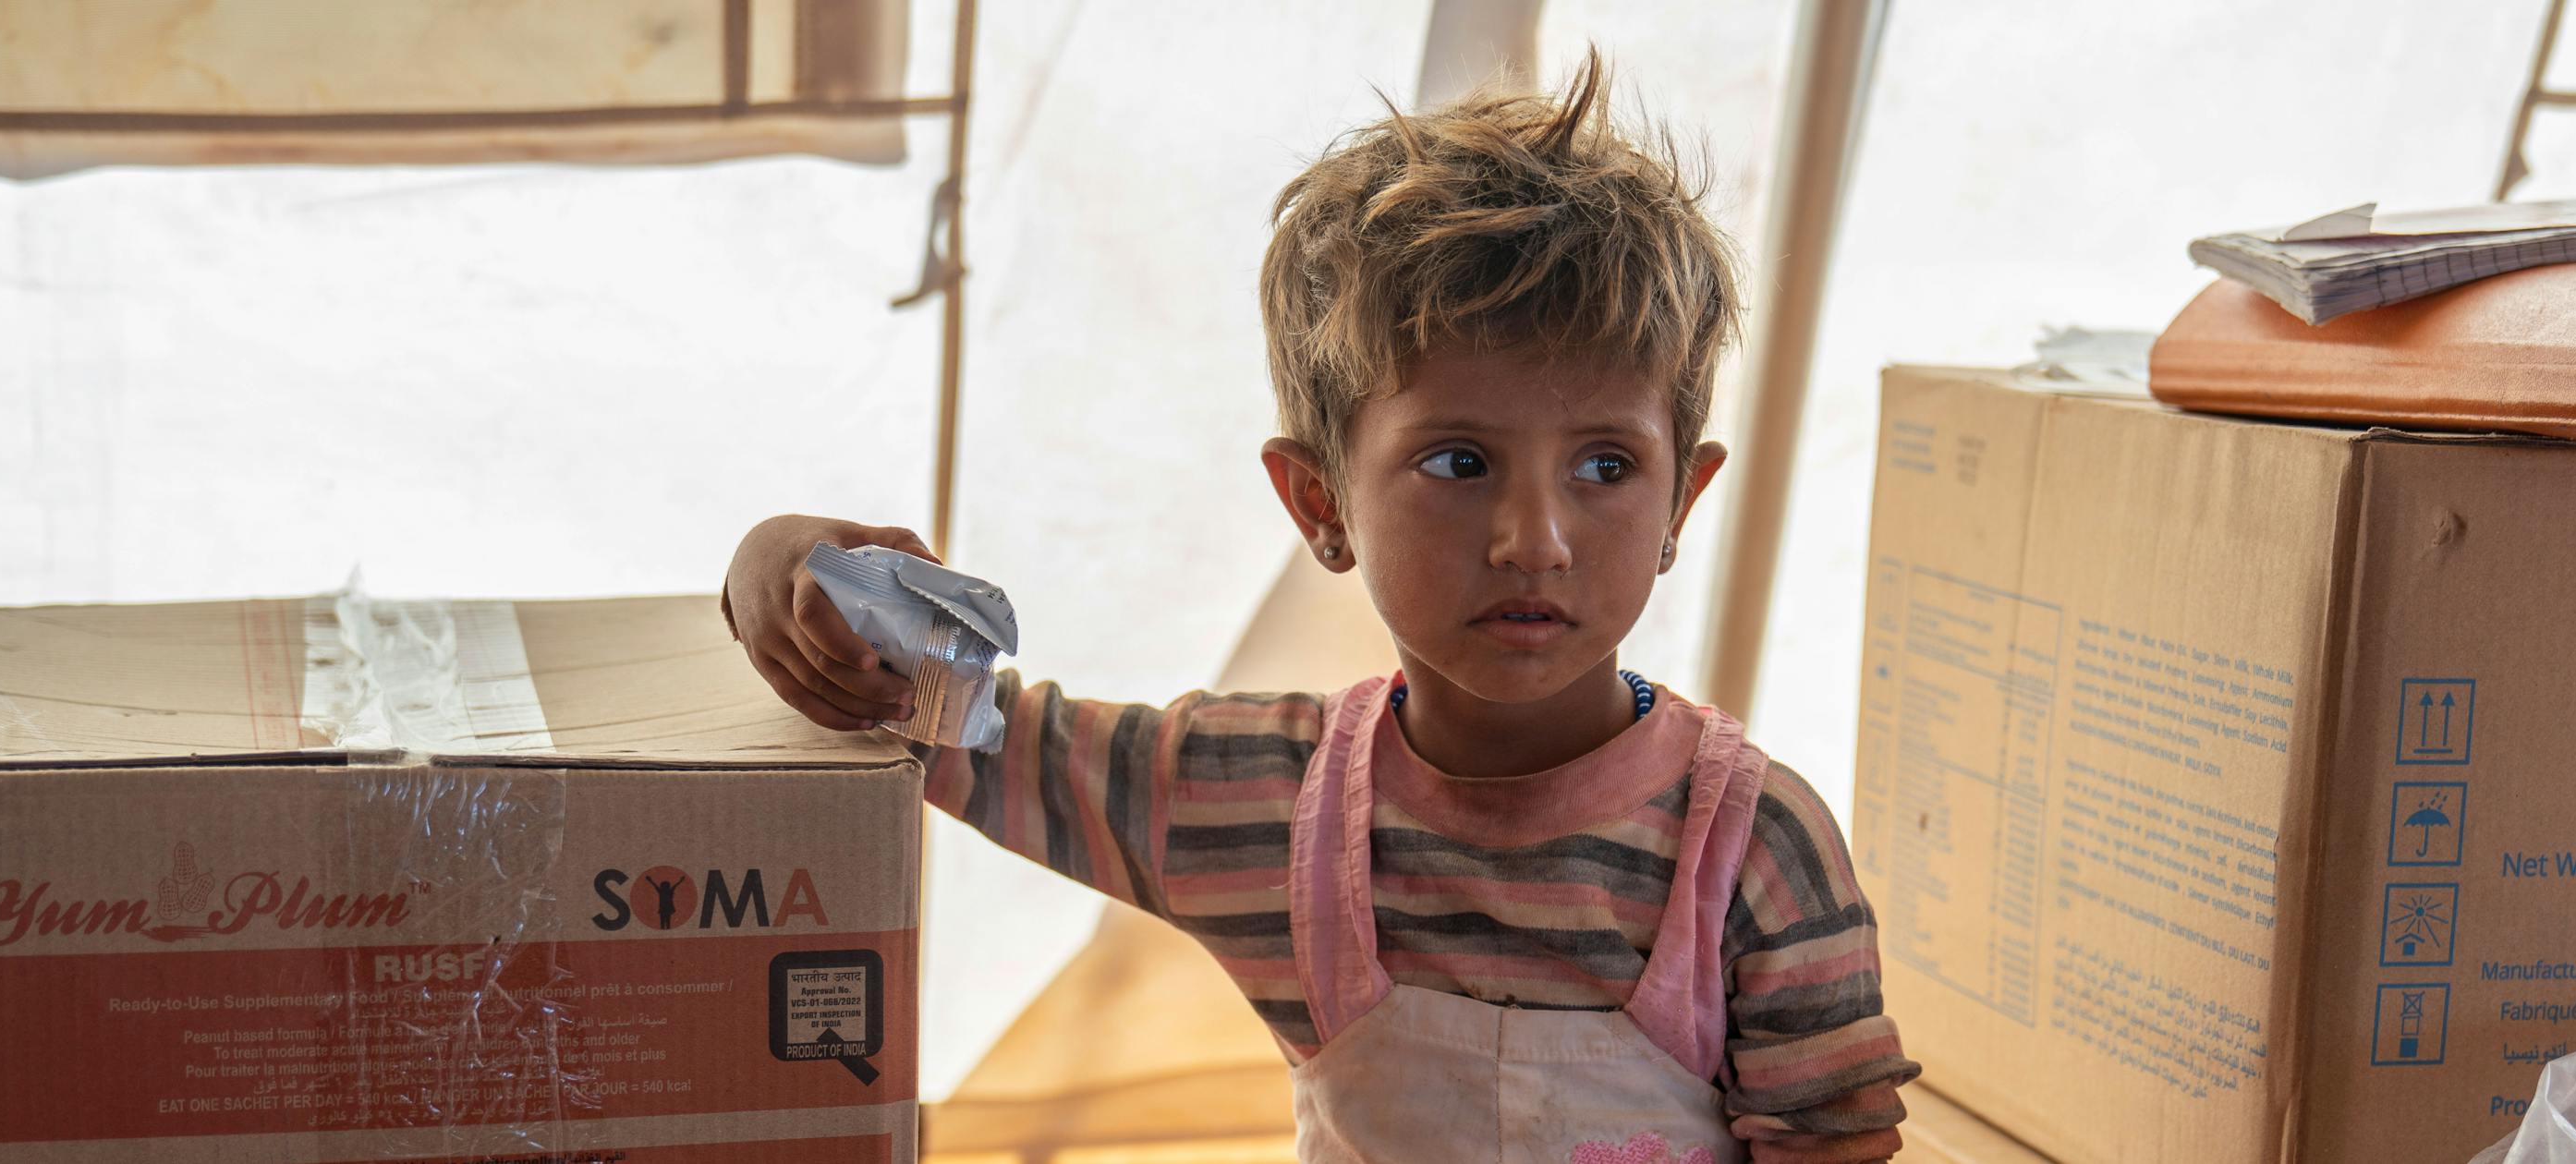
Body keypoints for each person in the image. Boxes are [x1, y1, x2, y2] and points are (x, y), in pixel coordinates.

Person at [721, 56, 1915, 1163]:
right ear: (1320, 502)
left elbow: (1835, 1146)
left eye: (1606, 466)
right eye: (1459, 462)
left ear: (1680, 503)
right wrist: (777, 564)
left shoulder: (1755, 849)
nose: (1535, 539)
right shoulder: (1253, 803)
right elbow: (954, 726)